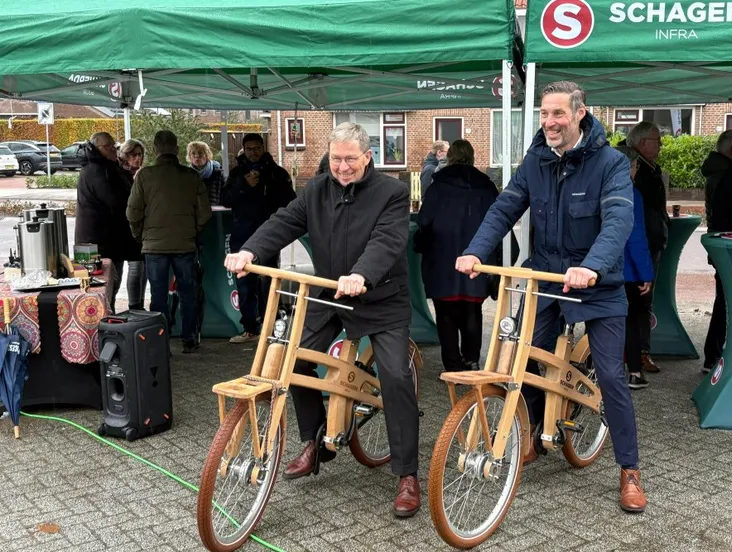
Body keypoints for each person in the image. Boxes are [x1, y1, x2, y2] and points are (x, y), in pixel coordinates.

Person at [456, 81, 647, 513]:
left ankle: (629, 469)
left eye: (558, 114)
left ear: (580, 113)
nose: (549, 122)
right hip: (545, 277)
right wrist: (474, 251)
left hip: (597, 284)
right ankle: (535, 439)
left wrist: (592, 266)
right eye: (544, 114)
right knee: (524, 359)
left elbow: (618, 221)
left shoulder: (611, 162)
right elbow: (505, 206)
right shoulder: (537, 158)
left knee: (613, 377)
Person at [224, 122, 421, 518]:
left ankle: (407, 475)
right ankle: (314, 442)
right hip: (329, 293)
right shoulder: (316, 189)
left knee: (396, 377)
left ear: (368, 157)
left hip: (380, 298)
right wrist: (250, 251)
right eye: (336, 159)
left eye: (350, 159)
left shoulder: (392, 193)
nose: (343, 167)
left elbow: (387, 241)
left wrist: (362, 275)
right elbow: (283, 221)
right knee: (294, 358)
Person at [415, 139, 498, 372]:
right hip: (479, 261)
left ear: (449, 156)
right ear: (472, 157)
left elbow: (424, 222)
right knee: (473, 311)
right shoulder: (487, 186)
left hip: (443, 262)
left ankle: (452, 364)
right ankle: (471, 359)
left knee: (446, 314)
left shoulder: (438, 186)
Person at [127, 131, 211, 354]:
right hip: (185, 245)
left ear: (155, 150)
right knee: (188, 293)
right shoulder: (191, 177)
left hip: (154, 247)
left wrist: (140, 235)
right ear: (177, 149)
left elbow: (132, 212)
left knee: (158, 296)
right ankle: (190, 339)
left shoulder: (145, 176)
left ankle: (160, 343)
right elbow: (205, 213)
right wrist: (191, 232)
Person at [222, 134, 295, 343]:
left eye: (257, 147)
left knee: (268, 284)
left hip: (268, 237)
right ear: (243, 150)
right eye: (249, 148)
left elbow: (290, 202)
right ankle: (250, 329)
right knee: (245, 285)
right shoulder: (237, 173)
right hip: (242, 236)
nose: (253, 152)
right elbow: (225, 199)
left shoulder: (276, 173)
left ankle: (271, 328)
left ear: (263, 148)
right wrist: (244, 185)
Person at [75, 132, 140, 312]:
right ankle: (104, 325)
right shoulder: (98, 170)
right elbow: (117, 202)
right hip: (100, 242)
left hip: (96, 239)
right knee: (105, 286)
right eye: (108, 147)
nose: (113, 149)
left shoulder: (101, 166)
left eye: (114, 146)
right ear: (97, 148)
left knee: (104, 287)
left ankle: (105, 320)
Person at [628, 121, 669, 374]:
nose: (661, 145)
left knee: (639, 304)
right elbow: (638, 221)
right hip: (642, 245)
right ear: (643, 143)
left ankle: (637, 352)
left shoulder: (649, 168)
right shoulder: (638, 172)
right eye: (657, 141)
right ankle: (639, 354)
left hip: (649, 242)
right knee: (640, 302)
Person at [616, 146, 654, 390]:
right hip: (627, 269)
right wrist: (646, 273)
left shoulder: (596, 188)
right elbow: (636, 236)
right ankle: (635, 373)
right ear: (630, 166)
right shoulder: (632, 193)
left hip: (598, 267)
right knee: (629, 320)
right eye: (636, 165)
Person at [700, 130, 732, 373]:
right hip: (727, 246)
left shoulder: (717, 173)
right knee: (725, 302)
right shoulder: (726, 177)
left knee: (723, 300)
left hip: (720, 244)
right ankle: (714, 355)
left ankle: (713, 354)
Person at [117, 139, 149, 310]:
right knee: (133, 267)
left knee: (140, 267)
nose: (137, 158)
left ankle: (138, 304)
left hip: (139, 227)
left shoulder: (144, 173)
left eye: (140, 154)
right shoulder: (120, 173)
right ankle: (134, 305)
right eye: (133, 155)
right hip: (124, 226)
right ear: (124, 155)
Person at [187, 141, 225, 206]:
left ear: (207, 155)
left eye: (200, 153)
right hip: (194, 212)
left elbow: (223, 194)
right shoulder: (187, 174)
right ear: (190, 156)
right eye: (193, 153)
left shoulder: (218, 172)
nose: (197, 156)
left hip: (214, 211)